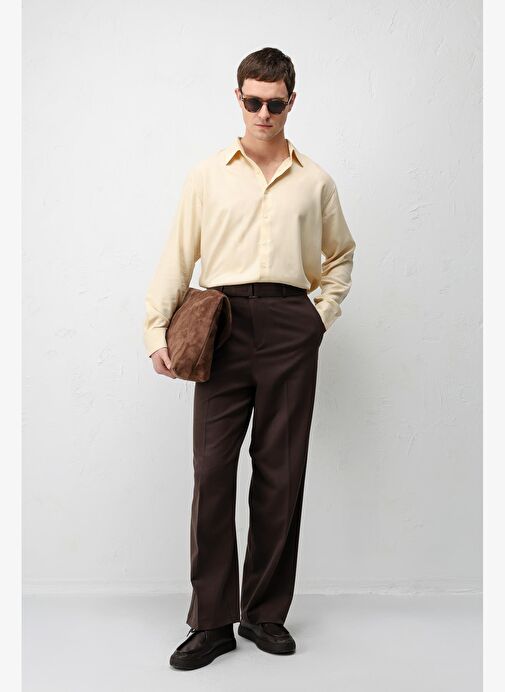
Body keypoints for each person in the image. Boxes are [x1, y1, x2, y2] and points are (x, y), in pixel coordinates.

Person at [143, 47, 356, 671]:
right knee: (212, 471)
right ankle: (211, 622)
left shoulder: (315, 181)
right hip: (223, 324)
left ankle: (263, 613)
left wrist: (318, 316)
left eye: (276, 102)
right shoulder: (207, 175)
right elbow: (178, 254)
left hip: (291, 323)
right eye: (253, 101)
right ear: (238, 98)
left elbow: (340, 255)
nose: (264, 112)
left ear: (292, 101)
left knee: (280, 472)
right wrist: (156, 329)